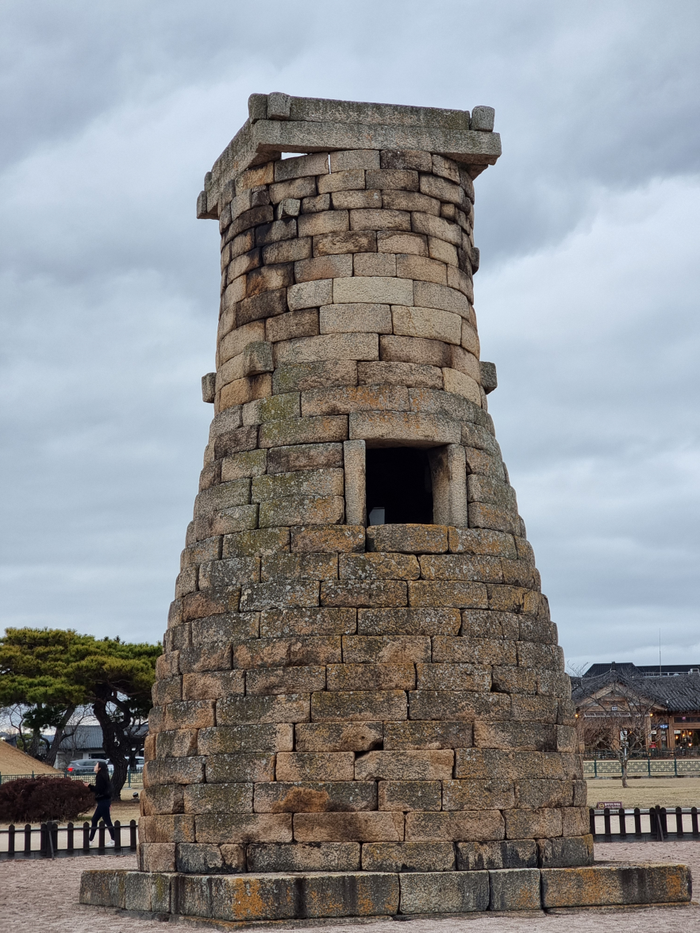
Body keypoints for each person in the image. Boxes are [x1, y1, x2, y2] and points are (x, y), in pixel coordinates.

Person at [87, 760, 115, 844]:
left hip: (103, 802)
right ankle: (90, 840)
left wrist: (89, 786)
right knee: (94, 819)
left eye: (96, 765)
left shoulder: (100, 777)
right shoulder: (104, 776)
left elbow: (99, 790)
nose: (94, 767)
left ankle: (114, 839)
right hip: (103, 801)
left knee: (107, 820)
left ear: (99, 768)